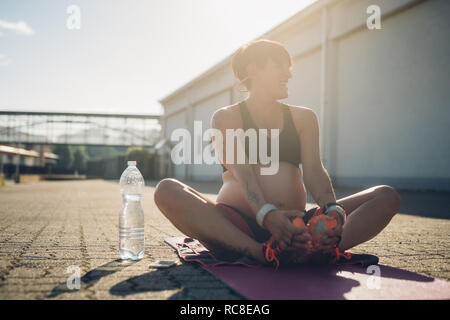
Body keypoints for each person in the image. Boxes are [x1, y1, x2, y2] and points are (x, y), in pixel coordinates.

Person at [154, 39, 401, 269]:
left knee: (385, 196)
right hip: (238, 225)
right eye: (280, 66)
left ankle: (319, 246)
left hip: (298, 225)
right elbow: (243, 172)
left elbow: (314, 171)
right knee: (166, 189)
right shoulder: (226, 117)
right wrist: (267, 215)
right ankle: (259, 253)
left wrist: (332, 210)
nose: (289, 74)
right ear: (254, 70)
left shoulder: (304, 118)